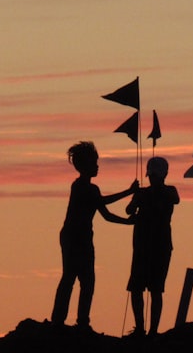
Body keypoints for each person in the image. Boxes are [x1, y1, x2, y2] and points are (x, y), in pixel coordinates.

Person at [51, 141, 137, 329]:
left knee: (86, 280)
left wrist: (128, 222)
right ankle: (61, 320)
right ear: (84, 165)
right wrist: (129, 192)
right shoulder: (81, 187)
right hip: (73, 238)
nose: (97, 166)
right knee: (72, 278)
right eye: (94, 162)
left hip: (82, 238)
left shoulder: (90, 189)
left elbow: (106, 215)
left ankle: (80, 321)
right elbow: (103, 203)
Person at [125, 156, 180, 336]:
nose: (153, 179)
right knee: (137, 288)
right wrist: (139, 196)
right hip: (144, 247)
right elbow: (129, 210)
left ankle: (153, 331)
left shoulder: (169, 191)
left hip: (158, 247)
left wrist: (144, 195)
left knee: (155, 289)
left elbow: (174, 198)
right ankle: (141, 328)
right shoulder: (144, 193)